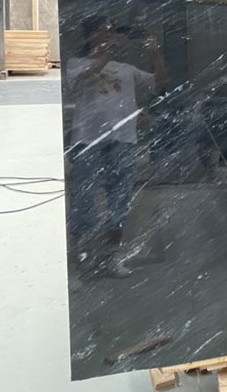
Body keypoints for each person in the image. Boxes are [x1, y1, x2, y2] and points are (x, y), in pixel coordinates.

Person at [65, 15, 167, 278]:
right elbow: (80, 81)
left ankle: (111, 258)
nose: (111, 36)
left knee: (119, 201)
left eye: (112, 31)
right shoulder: (76, 63)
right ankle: (81, 262)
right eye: (104, 31)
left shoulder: (127, 68)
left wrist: (155, 54)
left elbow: (161, 85)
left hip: (123, 140)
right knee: (84, 200)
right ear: (91, 35)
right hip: (88, 140)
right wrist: (107, 55)